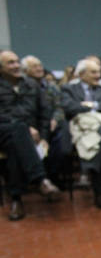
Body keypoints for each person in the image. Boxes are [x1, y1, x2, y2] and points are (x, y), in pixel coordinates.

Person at [0, 50, 61, 221]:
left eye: (17, 61)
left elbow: (44, 113)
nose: (16, 66)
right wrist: (26, 127)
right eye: (10, 63)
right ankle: (41, 179)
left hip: (23, 137)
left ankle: (16, 200)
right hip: (2, 131)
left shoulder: (32, 85)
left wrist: (43, 137)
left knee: (15, 147)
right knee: (18, 129)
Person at [62, 58, 101, 209]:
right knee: (98, 135)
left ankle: (88, 168)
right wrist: (94, 109)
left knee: (99, 133)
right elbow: (69, 108)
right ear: (81, 74)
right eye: (93, 72)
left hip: (100, 126)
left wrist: (90, 105)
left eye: (99, 72)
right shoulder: (69, 88)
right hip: (79, 127)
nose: (98, 75)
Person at [21, 55, 70, 186]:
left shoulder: (51, 87)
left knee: (61, 134)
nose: (39, 68)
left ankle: (53, 175)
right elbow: (19, 111)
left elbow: (59, 107)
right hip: (29, 126)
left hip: (50, 123)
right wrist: (29, 126)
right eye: (34, 66)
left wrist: (55, 119)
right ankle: (36, 178)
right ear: (25, 71)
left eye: (40, 65)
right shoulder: (21, 88)